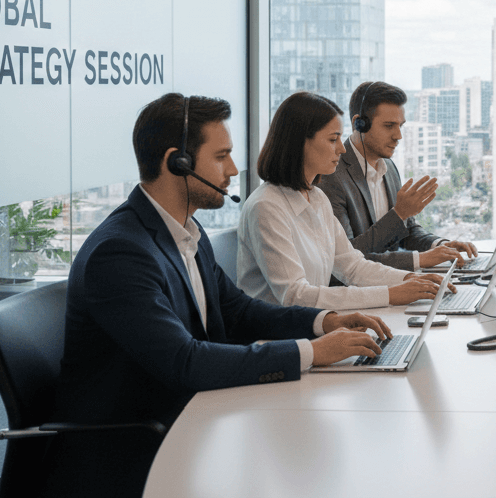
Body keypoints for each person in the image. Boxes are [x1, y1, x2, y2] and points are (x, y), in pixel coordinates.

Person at [48, 94, 394, 498]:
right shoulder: (121, 253)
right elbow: (185, 360)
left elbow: (240, 310)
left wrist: (324, 322)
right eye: (221, 156)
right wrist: (313, 352)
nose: (232, 169)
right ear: (177, 161)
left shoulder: (186, 232)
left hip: (197, 413)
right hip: (136, 445)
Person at [238, 91, 451, 309]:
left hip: (313, 323)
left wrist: (407, 280)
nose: (341, 148)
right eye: (333, 139)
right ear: (300, 142)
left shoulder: (316, 197)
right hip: (280, 336)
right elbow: (295, 295)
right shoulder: (266, 207)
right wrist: (390, 294)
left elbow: (352, 266)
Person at [317, 81, 478, 271]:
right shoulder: (331, 175)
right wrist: (400, 215)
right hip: (360, 292)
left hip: (396, 284)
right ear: (359, 124)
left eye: (400, 125)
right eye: (389, 126)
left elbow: (406, 231)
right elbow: (348, 257)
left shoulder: (389, 168)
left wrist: (440, 245)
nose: (398, 135)